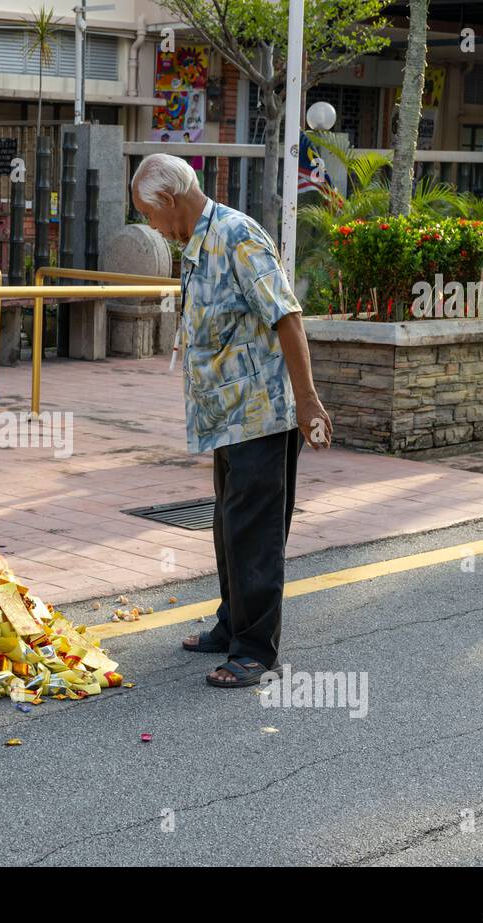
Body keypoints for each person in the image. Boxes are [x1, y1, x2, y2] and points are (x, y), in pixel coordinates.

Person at [130, 154, 333, 688]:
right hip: (226, 417)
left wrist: (309, 401)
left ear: (171, 200)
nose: (152, 227)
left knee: (255, 533)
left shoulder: (238, 236)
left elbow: (287, 316)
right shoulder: (197, 246)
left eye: (150, 215)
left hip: (260, 413)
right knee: (228, 529)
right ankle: (231, 625)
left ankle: (254, 651)